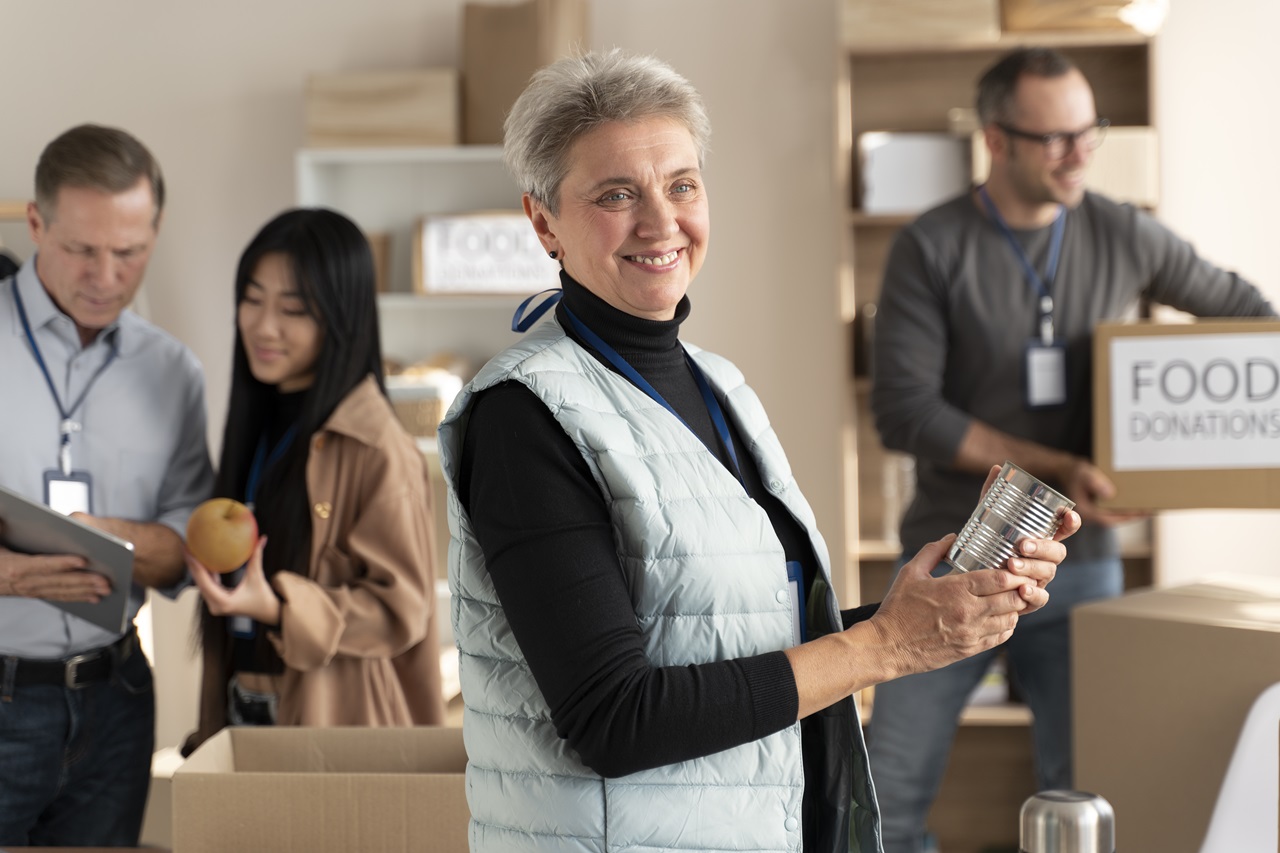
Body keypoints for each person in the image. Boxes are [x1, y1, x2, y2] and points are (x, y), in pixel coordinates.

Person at [436, 49, 1080, 853]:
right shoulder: (522, 418)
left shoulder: (721, 385)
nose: (660, 221)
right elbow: (613, 719)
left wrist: (933, 607)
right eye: (615, 195)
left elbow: (743, 639)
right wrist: (881, 645)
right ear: (544, 224)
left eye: (681, 184)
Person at [867, 46, 1277, 852]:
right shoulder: (932, 244)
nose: (1080, 153)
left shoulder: (1123, 230)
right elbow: (905, 411)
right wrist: (1059, 469)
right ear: (997, 138)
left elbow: (1250, 321)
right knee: (886, 788)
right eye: (1054, 138)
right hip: (954, 550)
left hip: (1079, 558)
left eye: (1090, 131)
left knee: (1083, 788)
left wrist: (1168, 462)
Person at [0, 124, 214, 846]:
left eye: (129, 252)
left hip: (117, 700)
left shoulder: (173, 372)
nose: (106, 275)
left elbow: (192, 542)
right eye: (81, 250)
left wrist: (115, 537)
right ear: (36, 224)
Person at [182, 207, 445, 754]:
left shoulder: (377, 447)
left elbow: (402, 610)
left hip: (331, 721)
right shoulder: (257, 420)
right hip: (239, 705)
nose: (263, 325)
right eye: (252, 300)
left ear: (339, 317)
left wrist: (278, 606)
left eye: (293, 309)